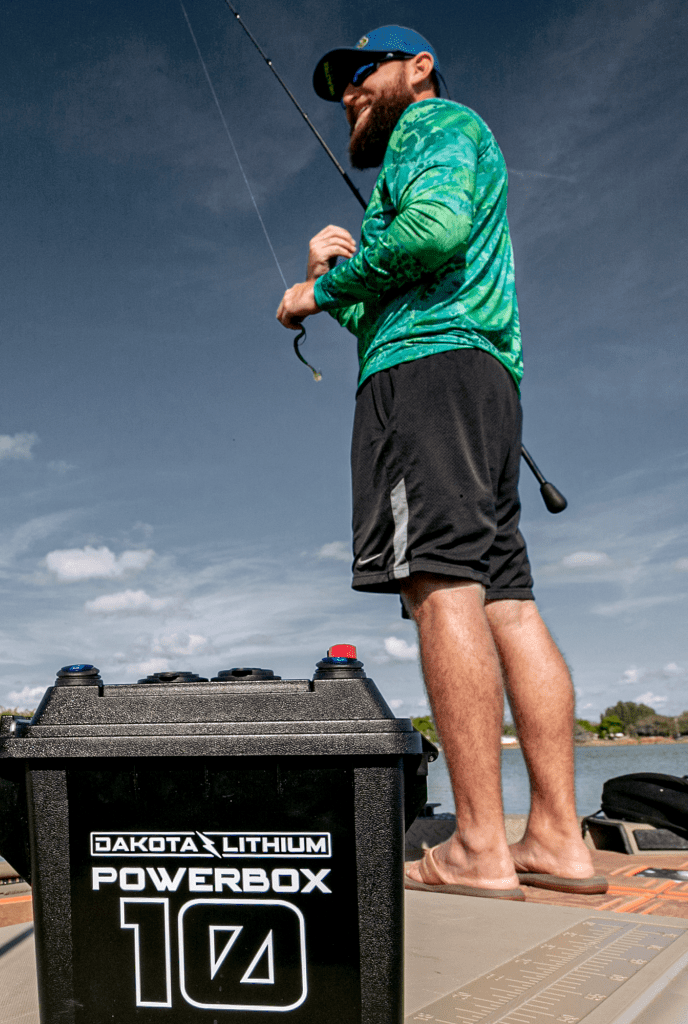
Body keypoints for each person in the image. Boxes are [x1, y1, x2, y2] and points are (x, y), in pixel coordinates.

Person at [276, 26, 604, 899]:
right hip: (480, 379)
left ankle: (478, 849)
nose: (348, 91)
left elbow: (432, 230)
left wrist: (316, 291)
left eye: (361, 71)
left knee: (439, 581)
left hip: (425, 383)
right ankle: (557, 842)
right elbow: (394, 298)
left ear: (418, 68)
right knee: (508, 599)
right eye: (339, 84)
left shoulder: (436, 125)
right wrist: (338, 283)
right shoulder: (439, 146)